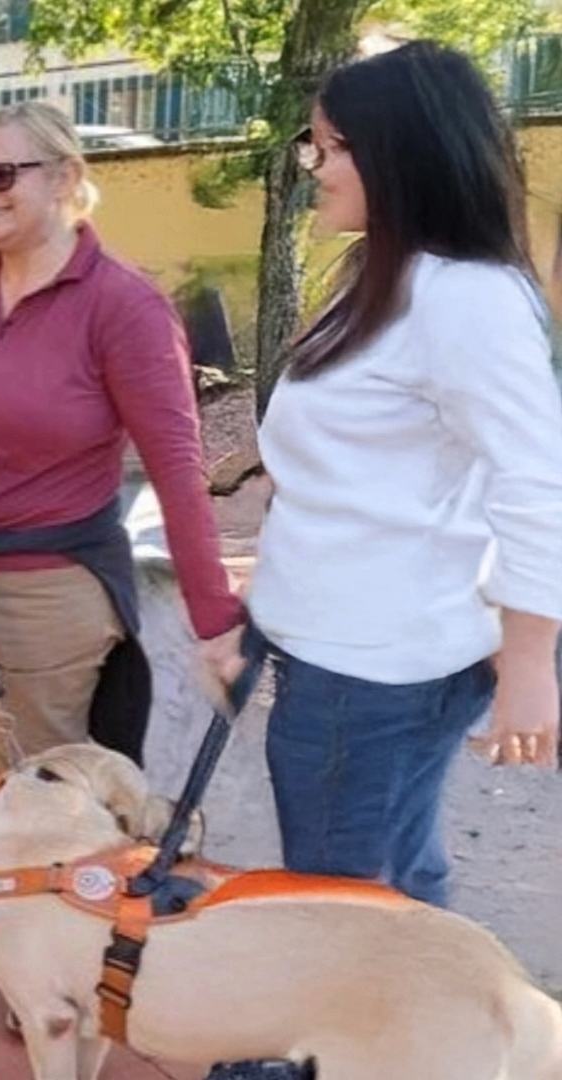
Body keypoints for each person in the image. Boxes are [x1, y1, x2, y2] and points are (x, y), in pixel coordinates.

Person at [0, 101, 243, 1017]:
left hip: (49, 586)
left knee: (47, 791)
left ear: (67, 177)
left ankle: (55, 962)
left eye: (2, 174)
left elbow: (178, 468)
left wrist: (215, 616)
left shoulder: (125, 306)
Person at [208, 42, 562, 902]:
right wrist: (262, 611)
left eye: (335, 147)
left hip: (375, 674)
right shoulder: (381, 273)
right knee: (394, 880)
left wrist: (529, 662)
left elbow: (535, 481)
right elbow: (353, 484)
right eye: (316, 146)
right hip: (342, 648)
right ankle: (420, 990)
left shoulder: (463, 297)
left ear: (405, 152)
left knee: (347, 904)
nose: (316, 168)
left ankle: (374, 998)